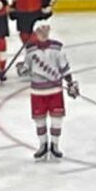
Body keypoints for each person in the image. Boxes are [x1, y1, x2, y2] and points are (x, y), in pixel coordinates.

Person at [13, 22, 79, 160]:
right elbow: (26, 69)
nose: (43, 32)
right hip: (38, 92)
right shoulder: (30, 50)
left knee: (57, 120)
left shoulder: (57, 48)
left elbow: (64, 68)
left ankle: (55, 146)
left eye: (46, 29)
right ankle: (43, 145)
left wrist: (70, 83)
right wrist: (21, 69)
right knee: (40, 120)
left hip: (55, 91)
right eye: (40, 30)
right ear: (36, 32)